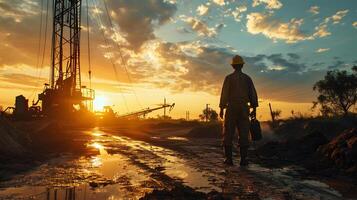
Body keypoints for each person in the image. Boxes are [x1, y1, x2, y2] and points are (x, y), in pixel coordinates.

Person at [219, 55, 258, 166]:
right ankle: (244, 160)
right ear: (242, 65)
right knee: (244, 132)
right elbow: (253, 94)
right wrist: (254, 108)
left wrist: (222, 108)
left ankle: (229, 159)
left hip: (231, 107)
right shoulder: (247, 78)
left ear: (233, 66)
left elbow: (224, 94)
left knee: (228, 133)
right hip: (244, 108)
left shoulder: (229, 78)